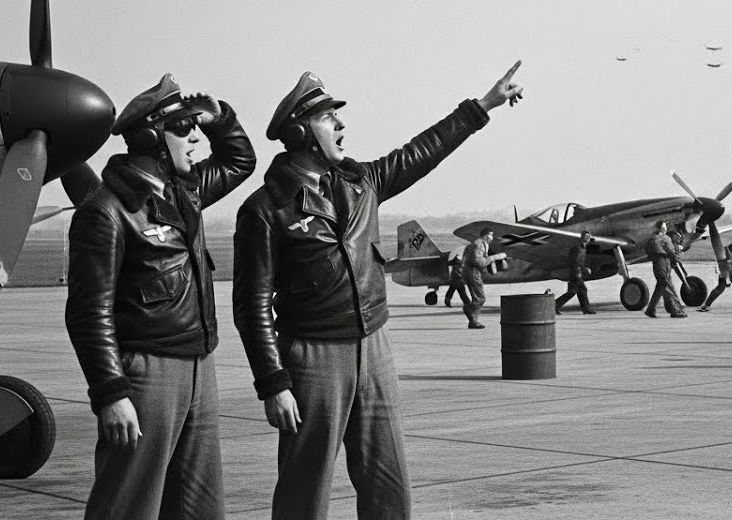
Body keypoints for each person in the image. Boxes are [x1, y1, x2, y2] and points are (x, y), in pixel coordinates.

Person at [232, 62, 523, 520]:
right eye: (329, 118)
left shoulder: (362, 182)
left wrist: (483, 105)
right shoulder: (266, 210)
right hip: (313, 357)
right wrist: (273, 383)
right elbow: (250, 307)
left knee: (388, 480)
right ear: (304, 132)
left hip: (375, 346)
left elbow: (421, 151)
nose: (342, 125)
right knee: (304, 484)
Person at [65, 74, 255, 520]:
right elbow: (88, 313)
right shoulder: (107, 211)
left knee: (200, 507)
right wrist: (110, 392)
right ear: (151, 136)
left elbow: (239, 161)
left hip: (199, 366)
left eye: (195, 126)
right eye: (183, 127)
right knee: (129, 503)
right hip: (146, 374)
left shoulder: (184, 193)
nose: (195, 136)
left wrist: (219, 119)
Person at [462, 227, 507, 329]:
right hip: (473, 272)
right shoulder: (480, 244)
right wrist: (495, 257)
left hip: (469, 272)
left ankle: (473, 322)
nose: (492, 237)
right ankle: (468, 308)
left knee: (476, 298)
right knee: (481, 298)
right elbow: (478, 261)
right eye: (491, 235)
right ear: (486, 236)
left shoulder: (477, 243)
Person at [644, 220, 687, 318]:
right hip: (661, 265)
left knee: (661, 287)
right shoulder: (659, 239)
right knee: (668, 287)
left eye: (665, 226)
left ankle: (651, 310)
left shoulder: (659, 238)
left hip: (664, 265)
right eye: (664, 227)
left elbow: (651, 252)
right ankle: (675, 310)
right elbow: (667, 251)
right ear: (660, 228)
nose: (665, 228)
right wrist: (674, 257)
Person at [555, 230, 596, 314]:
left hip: (576, 272)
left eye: (588, 237)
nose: (588, 238)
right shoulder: (578, 248)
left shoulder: (582, 248)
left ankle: (553, 306)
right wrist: (583, 270)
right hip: (576, 272)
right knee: (582, 290)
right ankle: (586, 309)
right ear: (582, 237)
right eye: (586, 237)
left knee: (573, 292)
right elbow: (575, 262)